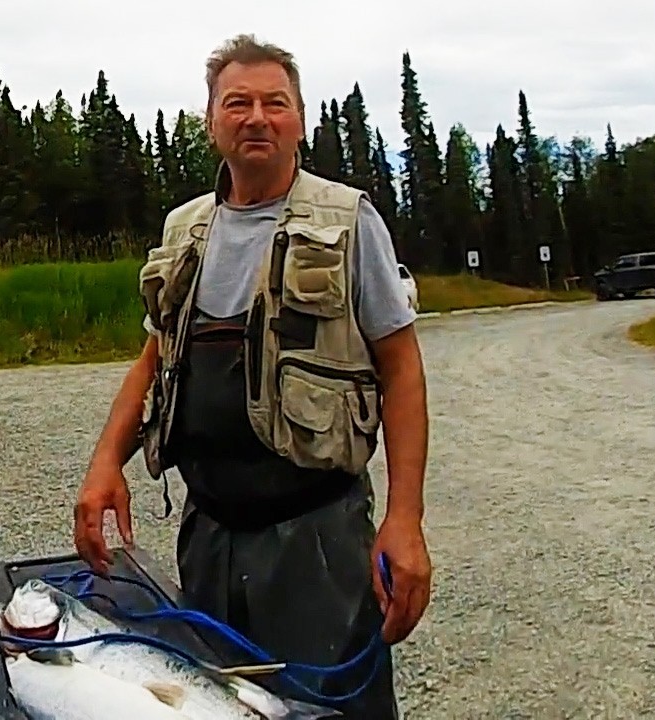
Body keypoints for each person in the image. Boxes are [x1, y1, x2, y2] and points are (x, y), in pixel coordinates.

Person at [73, 33, 431, 719]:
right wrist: (104, 465)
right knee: (217, 703)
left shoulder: (349, 221)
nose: (257, 117)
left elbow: (402, 368)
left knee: (323, 708)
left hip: (316, 537)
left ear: (300, 119)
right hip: (208, 534)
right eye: (237, 103)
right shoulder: (185, 231)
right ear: (212, 122)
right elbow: (154, 358)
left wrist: (405, 519)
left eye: (275, 102)